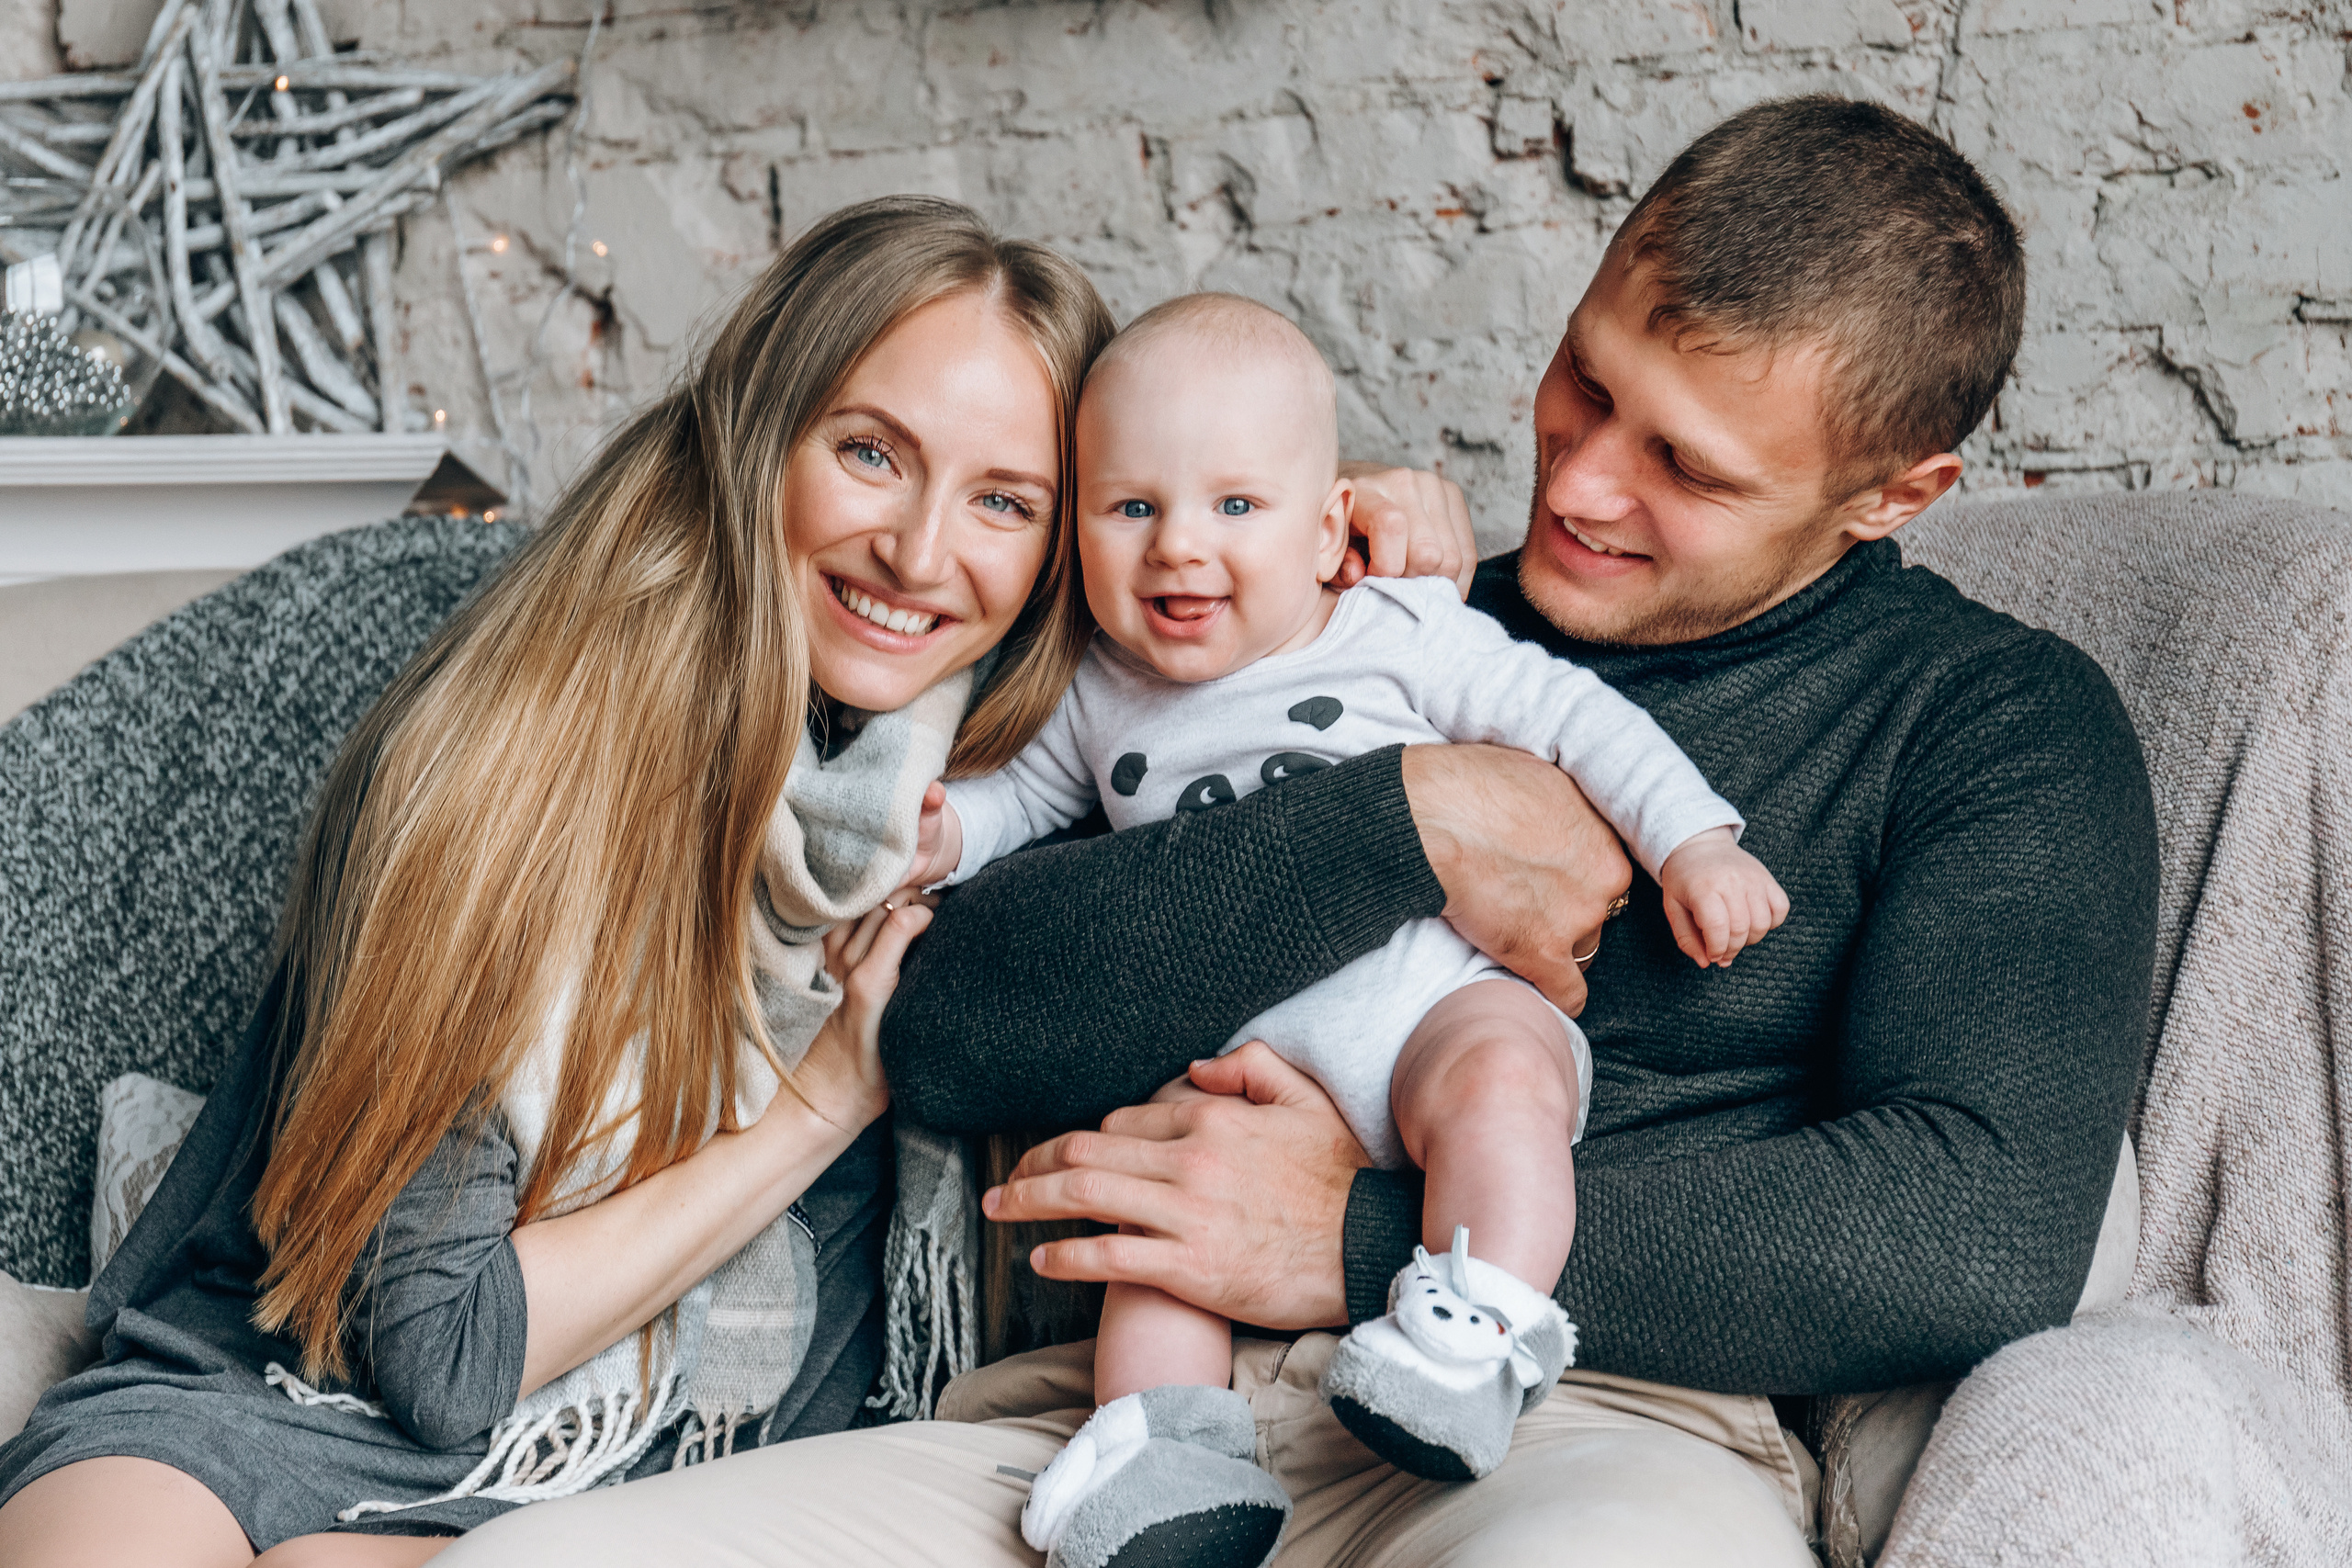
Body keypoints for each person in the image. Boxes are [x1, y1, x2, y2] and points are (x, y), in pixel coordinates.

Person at [430, 93, 2162, 1568]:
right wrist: (1406, 818)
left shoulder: (1989, 725)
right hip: (1125, 1417)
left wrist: (1348, 1238)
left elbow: (1968, 1227)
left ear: (1898, 491)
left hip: (1588, 1427)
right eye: (1582, 382)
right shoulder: (1329, 612)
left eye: (1686, 470)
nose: (1575, 484)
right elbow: (945, 1025)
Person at [0, 196, 1119, 1566]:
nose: (922, 551)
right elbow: (439, 1356)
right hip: (285, 1399)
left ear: (1066, 548)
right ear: (763, 440)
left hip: (616, 1483)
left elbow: (1266, 633)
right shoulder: (517, 765)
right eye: (873, 453)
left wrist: (1410, 562)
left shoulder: (1022, 786)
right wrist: (822, 1106)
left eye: (1005, 500)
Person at [903, 291, 1788, 1564]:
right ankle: (1167, 1461)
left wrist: (1695, 840)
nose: (1176, 550)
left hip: (1427, 1006)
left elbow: (1572, 721)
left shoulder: (1402, 629)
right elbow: (1022, 807)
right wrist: (943, 836)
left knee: (1505, 1085)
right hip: (1236, 1059)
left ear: (1331, 529)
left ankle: (1470, 1332)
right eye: (1131, 507)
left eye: (1235, 508)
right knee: (1161, 1239)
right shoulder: (1097, 688)